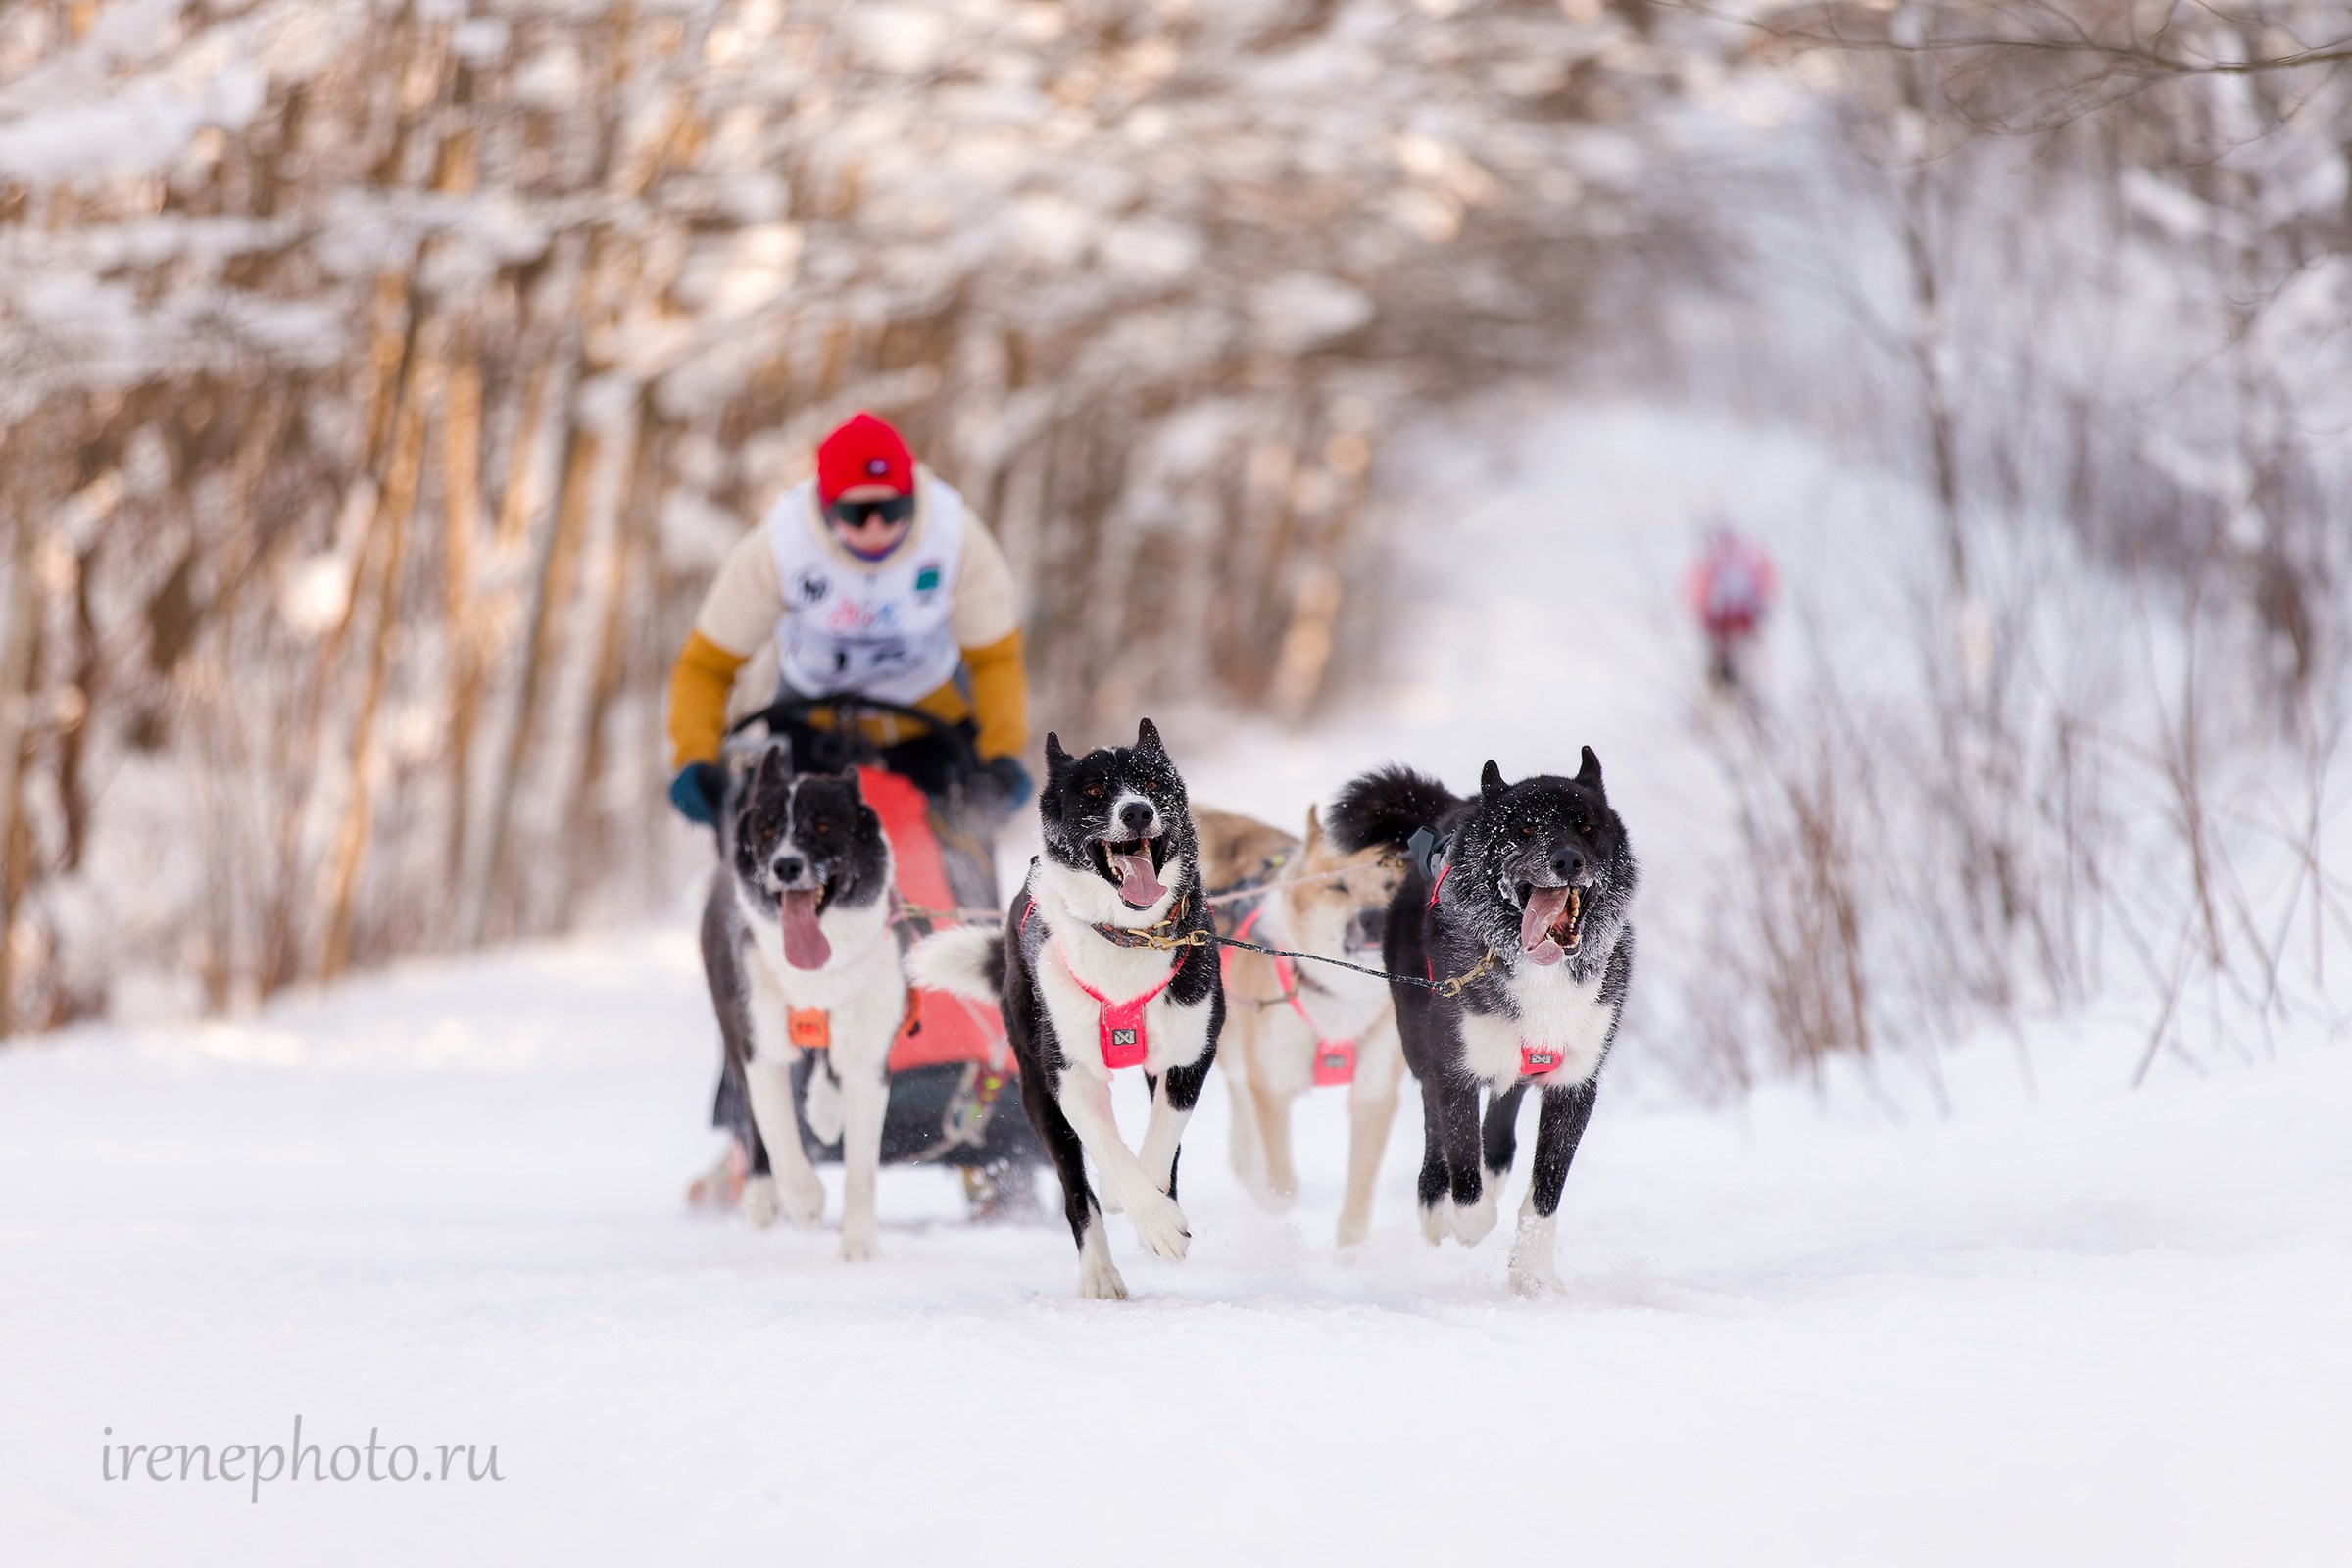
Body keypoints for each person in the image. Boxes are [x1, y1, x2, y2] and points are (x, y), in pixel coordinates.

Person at [664, 410, 1033, 825]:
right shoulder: (780, 547)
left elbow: (995, 658)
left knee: (945, 864)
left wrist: (1002, 752)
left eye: (894, 508)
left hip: (930, 726)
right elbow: (706, 665)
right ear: (826, 506)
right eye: (858, 514)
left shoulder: (955, 538)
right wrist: (696, 756)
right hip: (813, 726)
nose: (878, 527)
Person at [1686, 524, 1777, 695]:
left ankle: (1736, 693)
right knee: (1742, 665)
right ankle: (1731, 691)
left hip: (1733, 629)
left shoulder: (1718, 562)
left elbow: (1699, 592)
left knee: (1744, 666)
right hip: (1735, 628)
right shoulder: (1739, 560)